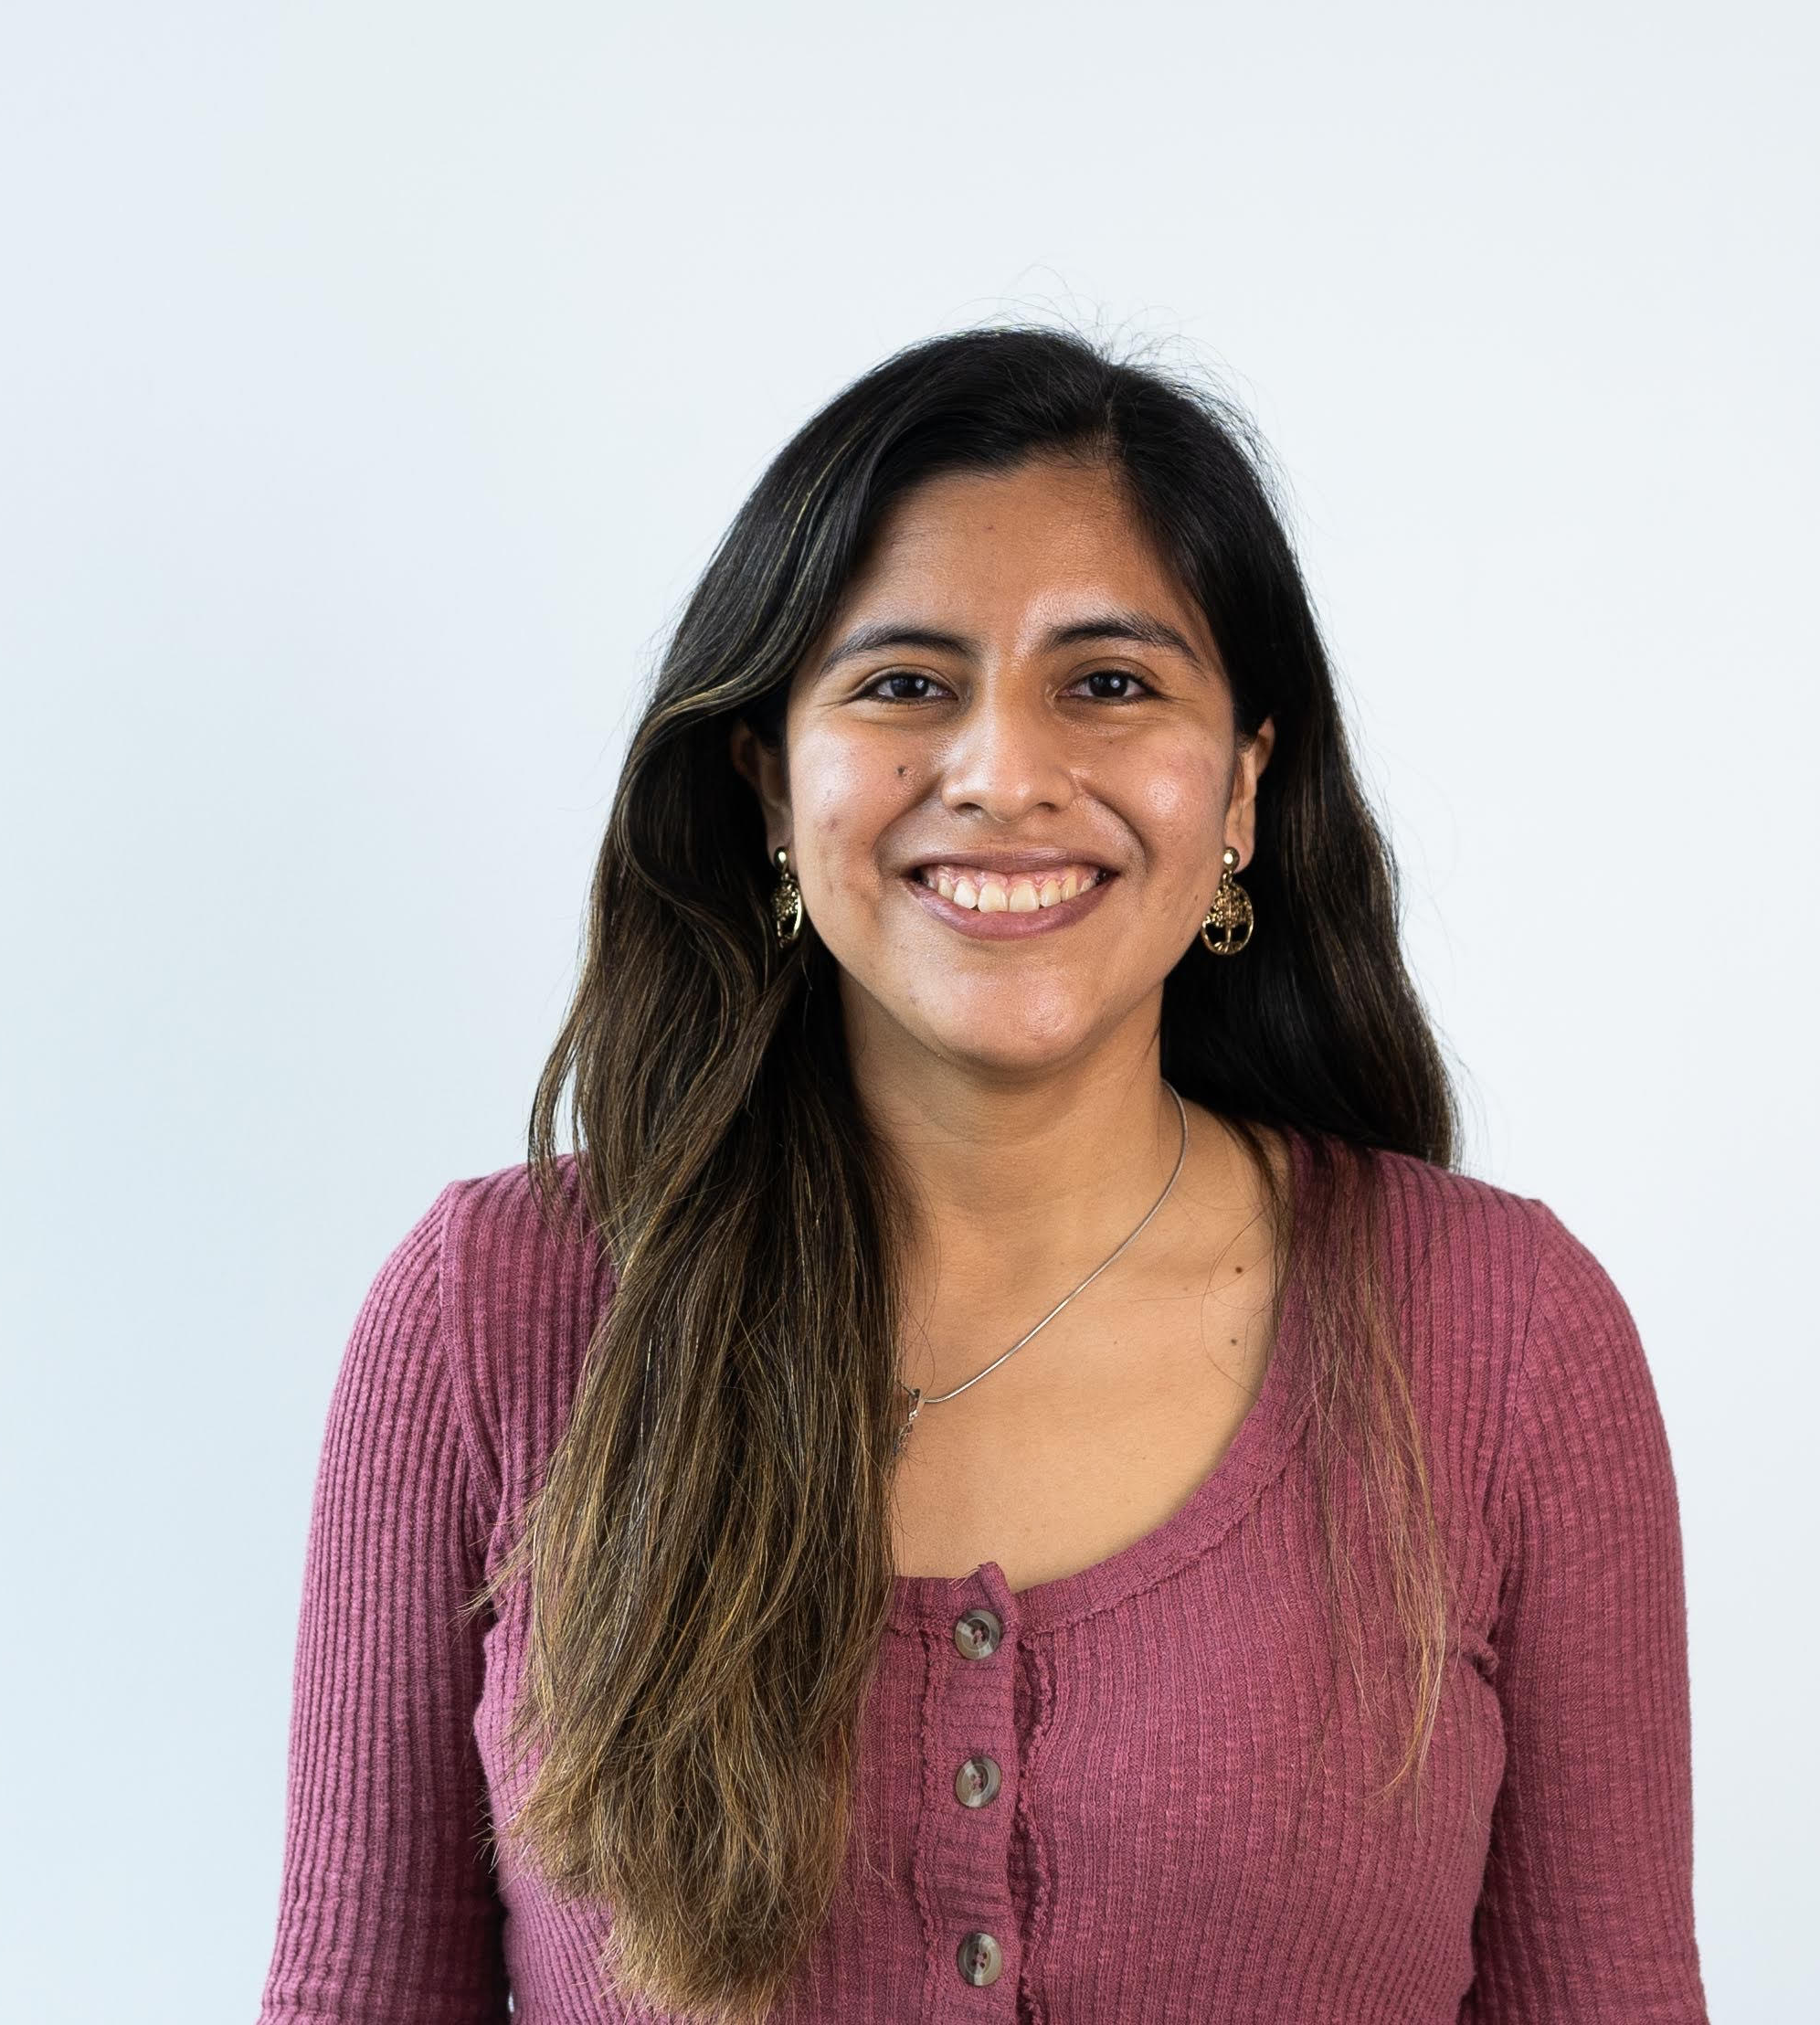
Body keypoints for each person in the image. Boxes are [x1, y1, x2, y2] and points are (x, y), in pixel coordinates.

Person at [254, 329, 1704, 2023]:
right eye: (903, 685)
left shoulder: (1505, 1342)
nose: (1004, 776)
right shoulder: (494, 1317)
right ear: (772, 786)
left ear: (1241, 784)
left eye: (1108, 683)